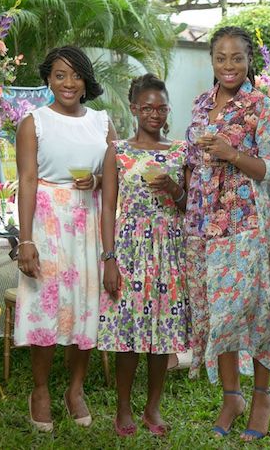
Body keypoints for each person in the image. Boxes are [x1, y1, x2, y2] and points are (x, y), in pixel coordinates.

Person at [185, 26, 270, 441]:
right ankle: (231, 396)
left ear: (248, 62)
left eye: (237, 58)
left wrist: (231, 154)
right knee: (215, 312)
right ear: (212, 60)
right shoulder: (201, 103)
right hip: (201, 224)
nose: (229, 66)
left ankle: (262, 396)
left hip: (244, 224)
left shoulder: (262, 106)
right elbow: (191, 160)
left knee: (253, 311)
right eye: (221, 58)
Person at [14, 46, 116, 432]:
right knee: (46, 306)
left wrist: (98, 180)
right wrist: (26, 240)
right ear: (48, 79)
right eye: (59, 75)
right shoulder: (33, 122)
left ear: (86, 80)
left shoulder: (103, 123)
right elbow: (25, 180)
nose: (68, 83)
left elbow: (114, 179)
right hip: (46, 222)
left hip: (88, 221)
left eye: (75, 75)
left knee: (85, 308)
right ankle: (40, 390)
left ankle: (75, 389)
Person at [98, 74, 190, 437]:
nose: (155, 114)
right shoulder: (118, 150)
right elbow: (108, 208)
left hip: (169, 249)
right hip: (130, 250)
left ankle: (153, 407)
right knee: (129, 334)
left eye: (162, 108)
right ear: (134, 109)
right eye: (148, 107)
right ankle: (123, 407)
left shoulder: (180, 150)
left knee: (161, 334)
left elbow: (188, 207)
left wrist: (173, 188)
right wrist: (109, 258)